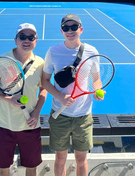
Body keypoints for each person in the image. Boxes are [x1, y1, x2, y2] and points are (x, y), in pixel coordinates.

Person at [41, 14, 104, 176]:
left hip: (83, 116)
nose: (70, 31)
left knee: (81, 160)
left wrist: (98, 91)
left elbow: (96, 79)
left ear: (81, 30)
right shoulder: (53, 51)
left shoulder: (91, 51)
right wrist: (60, 97)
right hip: (59, 116)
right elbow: (45, 81)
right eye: (66, 28)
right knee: (60, 159)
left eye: (74, 27)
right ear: (61, 31)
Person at [0, 23, 47, 176]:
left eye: (31, 37)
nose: (26, 40)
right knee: (3, 167)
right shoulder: (2, 61)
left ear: (36, 41)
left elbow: (43, 89)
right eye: (22, 37)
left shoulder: (40, 63)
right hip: (5, 124)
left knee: (32, 168)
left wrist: (36, 113)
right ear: (15, 39)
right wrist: (9, 99)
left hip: (30, 125)